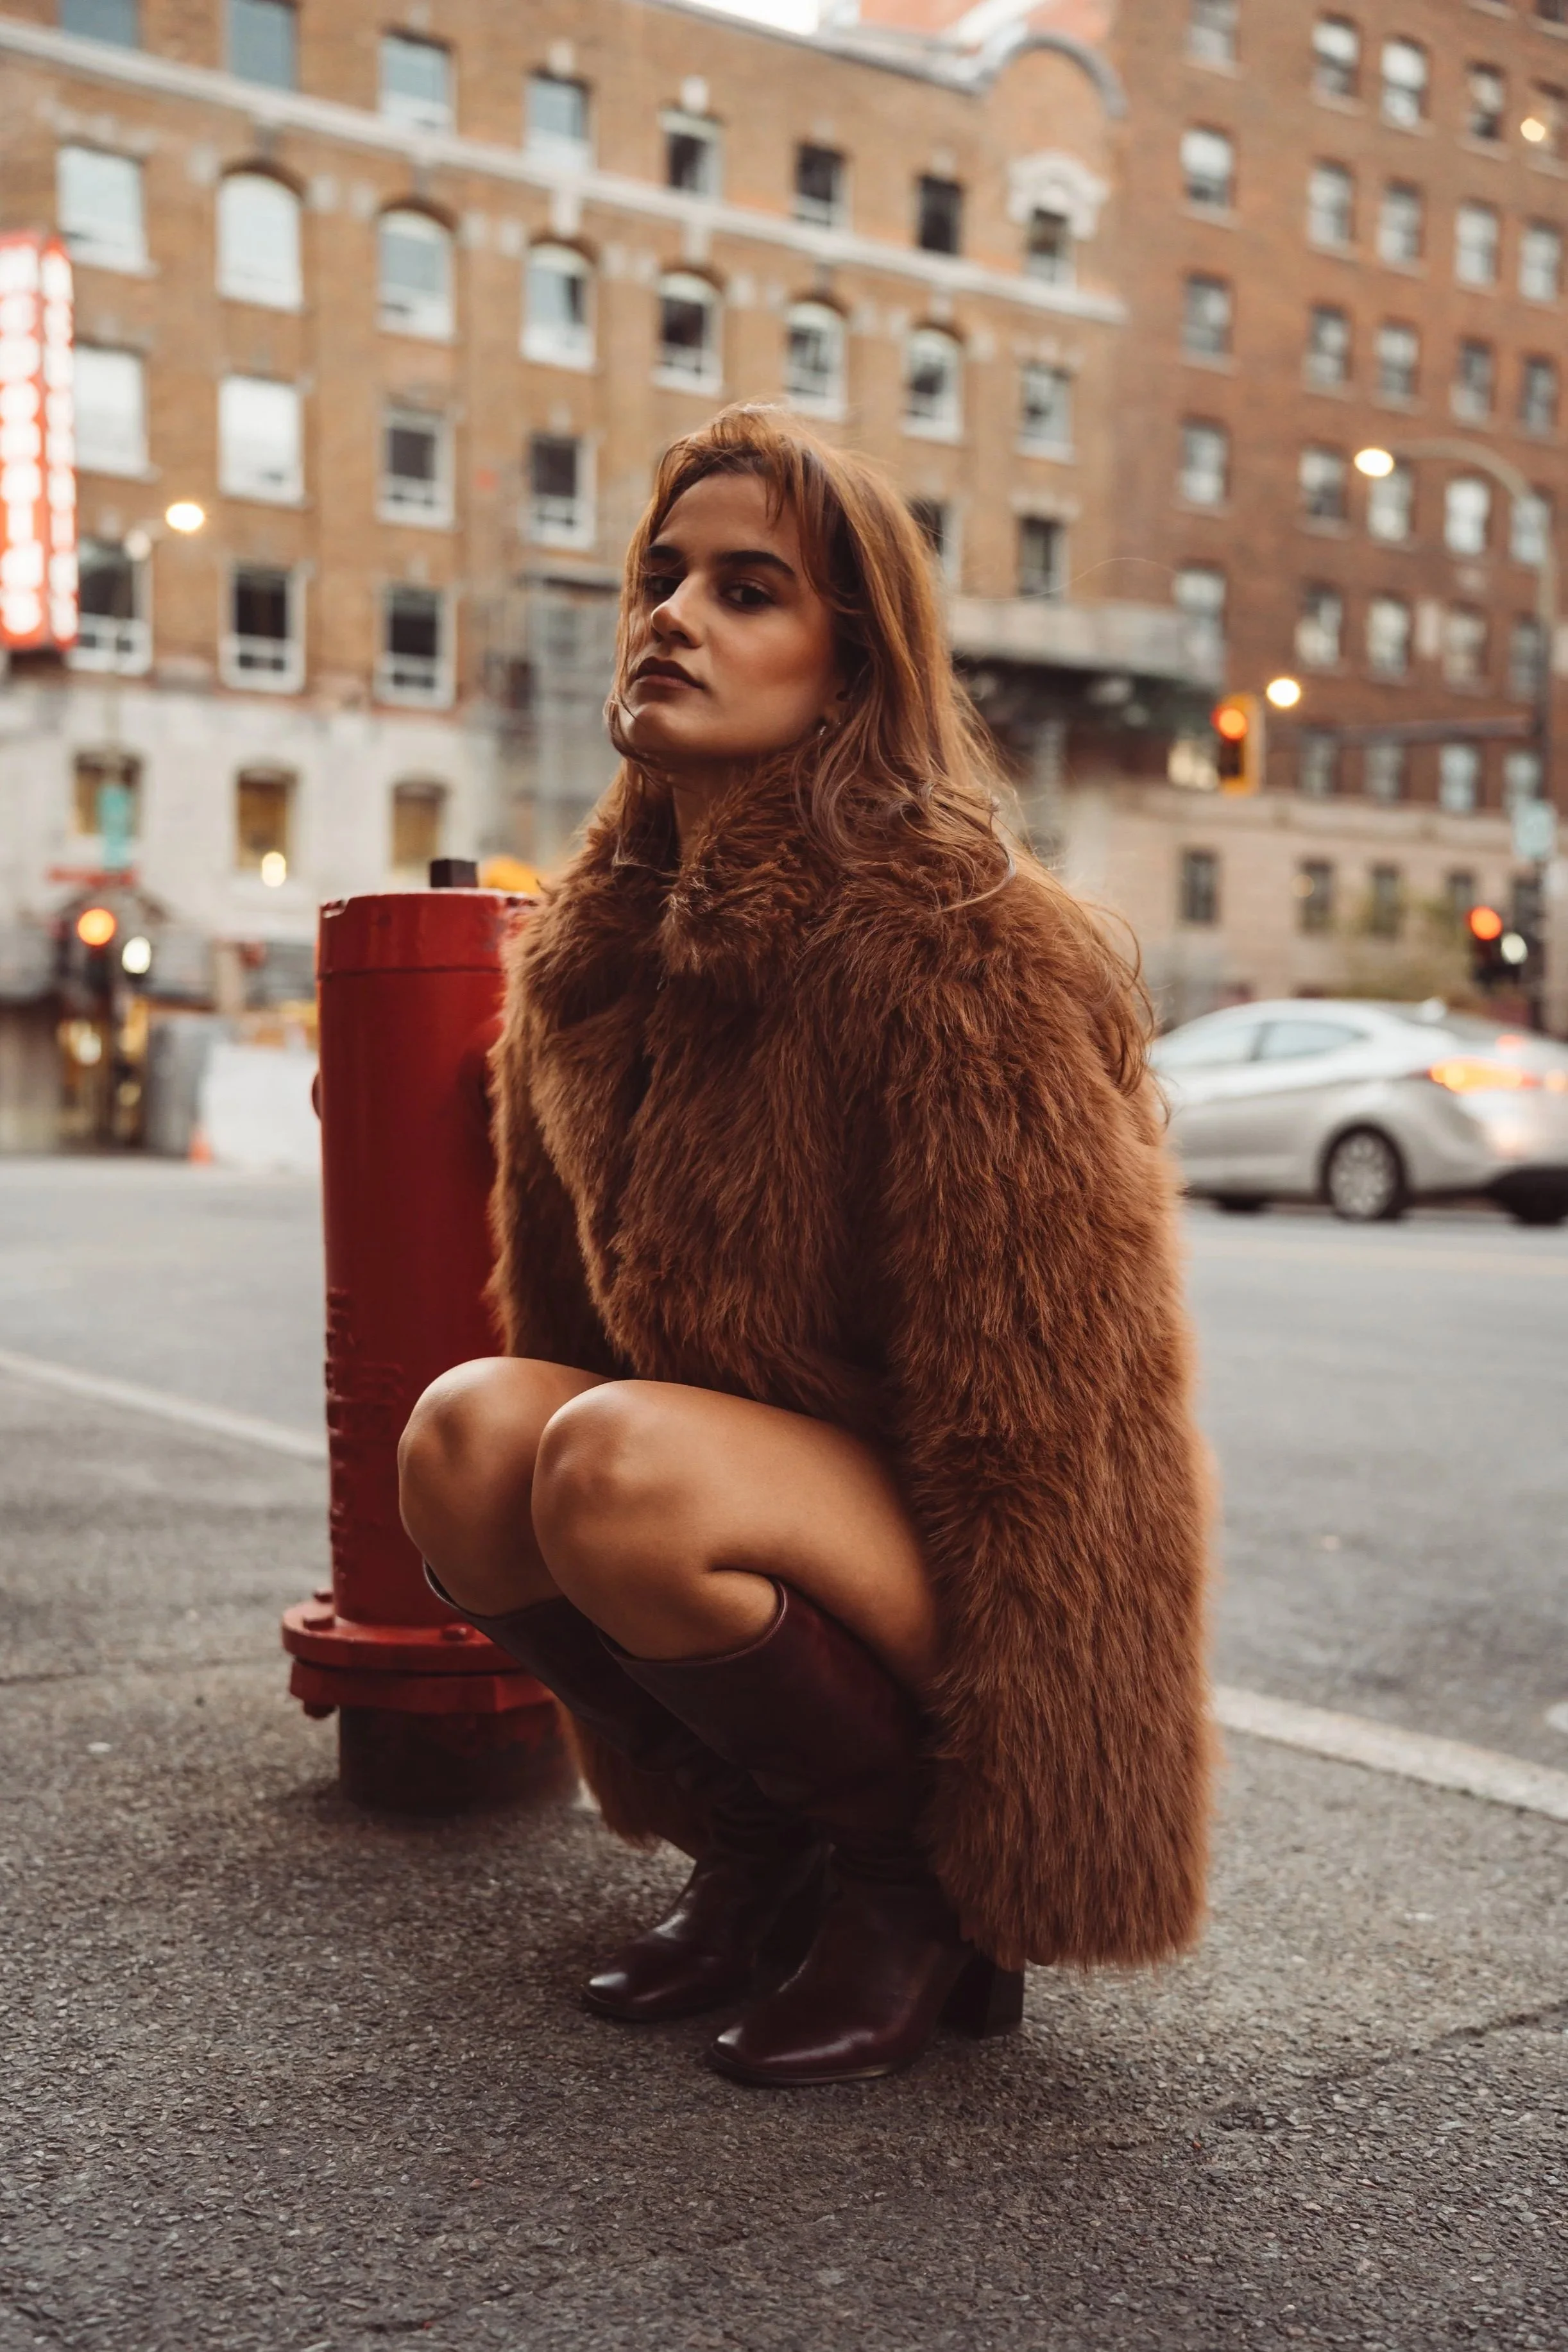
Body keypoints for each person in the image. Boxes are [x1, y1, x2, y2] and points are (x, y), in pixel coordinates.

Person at [398, 405, 1211, 2090]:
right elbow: (579, 1337)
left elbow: (1059, 1439)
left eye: (747, 589)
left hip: (935, 1541)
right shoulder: (586, 958)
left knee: (617, 1462)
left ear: (851, 669)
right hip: (722, 1492)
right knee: (474, 1435)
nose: (671, 616)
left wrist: (1046, 1801)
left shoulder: (962, 956)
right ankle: (760, 1851)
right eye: (661, 575)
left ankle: (913, 1896)